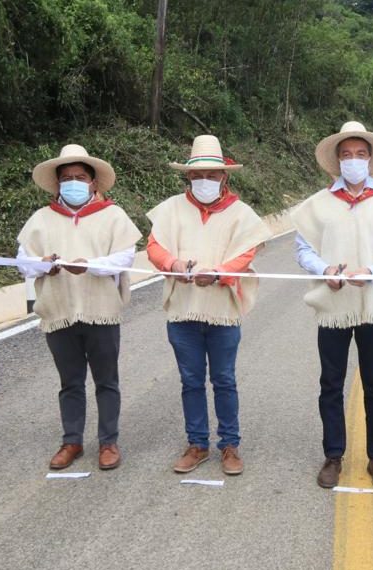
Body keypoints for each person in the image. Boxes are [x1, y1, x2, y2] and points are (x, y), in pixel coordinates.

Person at [291, 121, 373, 490]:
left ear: (370, 159)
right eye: (346, 154)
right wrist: (324, 270)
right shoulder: (318, 205)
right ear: (337, 161)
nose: (353, 160)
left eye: (360, 154)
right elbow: (303, 250)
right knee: (331, 384)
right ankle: (333, 456)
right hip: (333, 306)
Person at [146, 135, 272, 476]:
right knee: (190, 380)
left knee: (224, 379)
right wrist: (173, 265)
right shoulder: (171, 209)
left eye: (212, 175)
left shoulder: (240, 213)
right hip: (183, 308)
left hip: (222, 310)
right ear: (188, 176)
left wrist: (219, 273)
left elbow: (248, 252)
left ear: (224, 177)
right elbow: (154, 246)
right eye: (198, 175)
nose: (205, 181)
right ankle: (197, 444)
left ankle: (229, 444)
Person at [17, 145, 141, 471]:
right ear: (57, 184)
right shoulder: (41, 219)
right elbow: (23, 262)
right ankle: (71, 441)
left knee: (106, 380)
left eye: (80, 177)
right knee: (70, 382)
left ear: (93, 183)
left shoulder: (113, 215)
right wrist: (44, 265)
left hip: (101, 310)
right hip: (59, 310)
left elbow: (124, 257)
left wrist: (90, 266)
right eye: (67, 178)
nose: (73, 182)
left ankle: (108, 442)